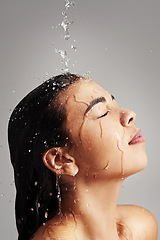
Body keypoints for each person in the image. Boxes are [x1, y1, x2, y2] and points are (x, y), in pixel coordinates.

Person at [8, 73, 158, 240]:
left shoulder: (139, 226)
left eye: (114, 103)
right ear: (61, 160)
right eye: (102, 112)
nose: (129, 114)